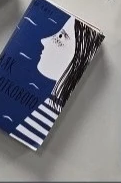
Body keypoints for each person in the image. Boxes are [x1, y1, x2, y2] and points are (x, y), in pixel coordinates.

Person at [8, 16, 103, 149]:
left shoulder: (46, 114)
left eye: (60, 37)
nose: (44, 41)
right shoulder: (47, 111)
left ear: (80, 54)